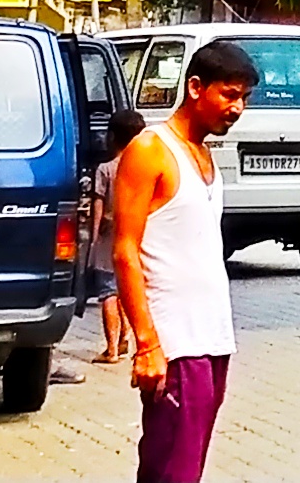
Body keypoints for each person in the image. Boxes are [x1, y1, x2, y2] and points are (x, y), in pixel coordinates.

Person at [113, 43, 257, 483]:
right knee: (170, 469)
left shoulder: (205, 153)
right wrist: (147, 343)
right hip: (175, 345)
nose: (237, 109)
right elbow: (124, 251)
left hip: (212, 340)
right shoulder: (150, 149)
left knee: (187, 468)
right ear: (195, 87)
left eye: (243, 99)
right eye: (229, 95)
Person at [91, 107, 148, 363]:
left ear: (111, 136)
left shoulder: (105, 169)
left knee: (107, 293)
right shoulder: (141, 167)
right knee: (127, 289)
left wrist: (93, 238)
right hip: (135, 235)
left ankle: (111, 348)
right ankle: (128, 338)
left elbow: (98, 205)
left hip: (108, 237)